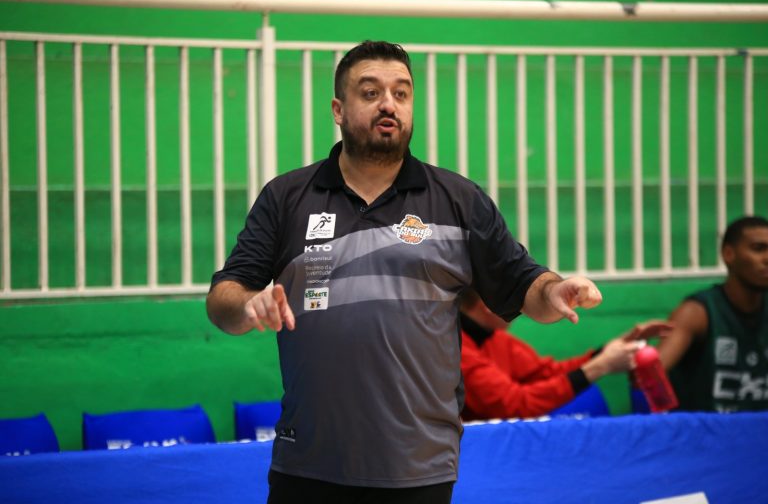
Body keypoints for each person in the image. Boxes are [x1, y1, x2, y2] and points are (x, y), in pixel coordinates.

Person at [206, 40, 602, 504]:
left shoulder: (459, 201)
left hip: (418, 468)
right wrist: (247, 306)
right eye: (370, 92)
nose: (388, 104)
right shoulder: (287, 197)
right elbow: (223, 299)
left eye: (401, 93)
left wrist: (554, 290)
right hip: (308, 462)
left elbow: (523, 283)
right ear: (338, 110)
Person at [459, 288, 671, 420]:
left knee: (586, 394)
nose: (520, 305)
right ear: (487, 305)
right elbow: (516, 404)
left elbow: (546, 372)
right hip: (476, 452)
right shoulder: (456, 350)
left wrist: (609, 351)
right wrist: (600, 367)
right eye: (512, 294)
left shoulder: (495, 338)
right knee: (586, 399)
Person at [657, 215, 768, 413]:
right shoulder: (696, 312)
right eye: (758, 248)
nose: (767, 258)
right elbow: (651, 376)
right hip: (706, 429)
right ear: (728, 254)